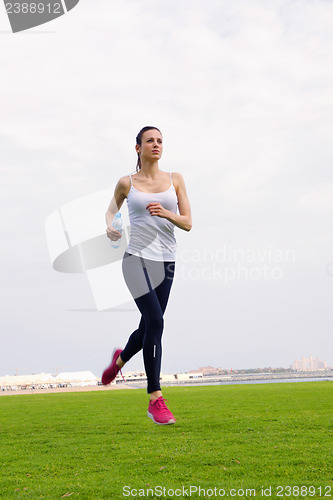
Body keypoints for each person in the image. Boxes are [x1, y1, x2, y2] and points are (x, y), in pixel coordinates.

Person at [101, 126, 192, 425]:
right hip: (136, 259)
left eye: (160, 140)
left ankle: (119, 361)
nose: (156, 144)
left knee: (148, 328)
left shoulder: (175, 179)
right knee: (156, 321)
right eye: (150, 140)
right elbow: (110, 210)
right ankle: (155, 398)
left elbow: (188, 223)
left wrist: (167, 213)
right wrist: (111, 226)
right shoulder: (127, 183)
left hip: (166, 262)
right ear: (138, 147)